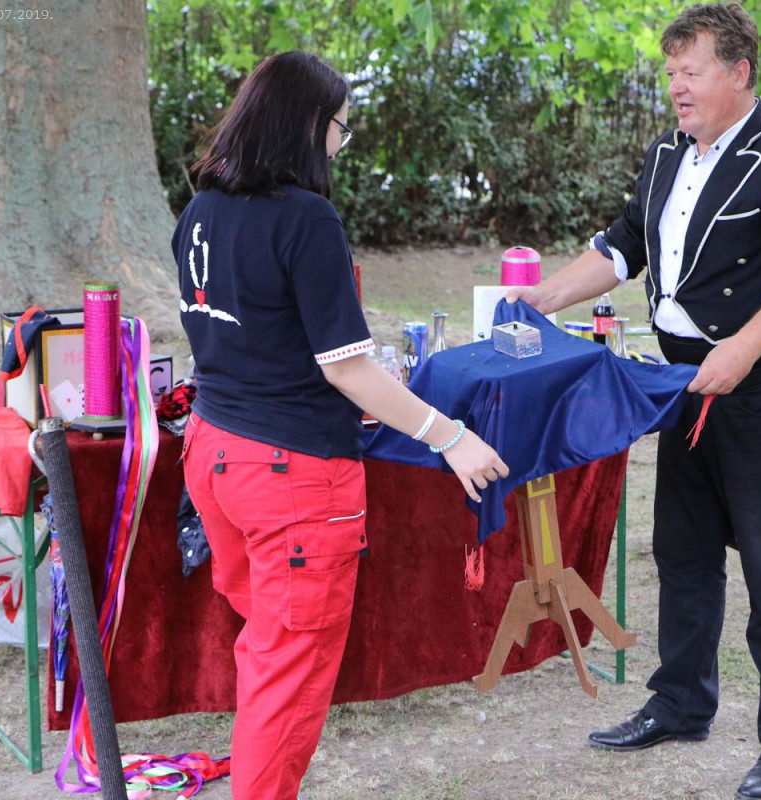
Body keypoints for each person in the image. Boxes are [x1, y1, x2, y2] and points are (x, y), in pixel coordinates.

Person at [508, 4, 761, 798]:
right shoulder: (665, 154)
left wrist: (742, 349)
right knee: (683, 555)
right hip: (682, 383)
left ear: (739, 73)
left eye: (691, 72)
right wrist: (541, 299)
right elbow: (623, 245)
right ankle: (681, 704)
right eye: (670, 74)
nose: (677, 88)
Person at [173, 51, 509, 800]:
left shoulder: (201, 211)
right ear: (308, 124)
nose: (339, 145)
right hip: (287, 474)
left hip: (214, 455)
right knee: (286, 668)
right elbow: (347, 370)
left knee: (269, 648)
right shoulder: (306, 219)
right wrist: (452, 437)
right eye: (340, 129)